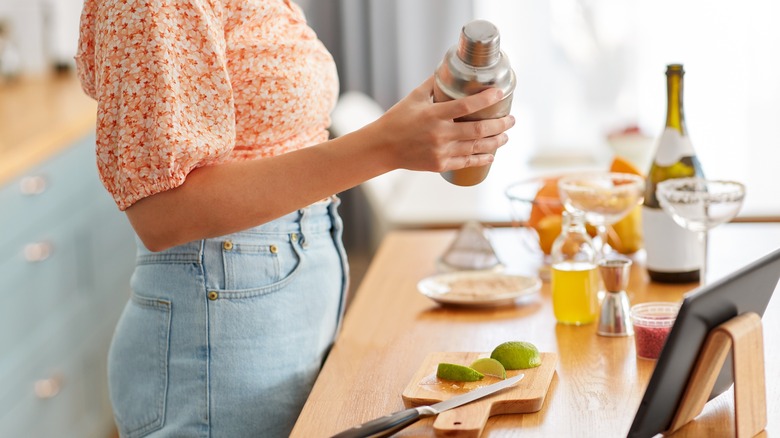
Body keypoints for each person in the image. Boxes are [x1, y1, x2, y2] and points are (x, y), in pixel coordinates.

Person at [75, 0, 514, 437]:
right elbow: (162, 214)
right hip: (219, 338)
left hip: (277, 309)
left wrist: (404, 133)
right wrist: (386, 146)